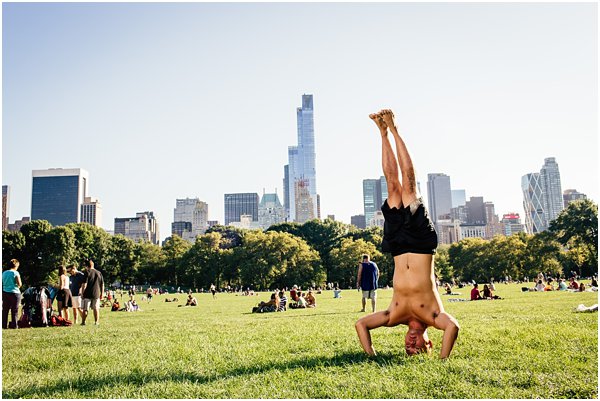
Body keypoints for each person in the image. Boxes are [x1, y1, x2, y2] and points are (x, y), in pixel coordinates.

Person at [355, 109, 459, 359]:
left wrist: (371, 354)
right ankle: (394, 128)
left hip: (398, 245)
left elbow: (361, 325)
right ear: (429, 343)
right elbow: (453, 327)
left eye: (407, 348)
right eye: (418, 347)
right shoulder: (434, 316)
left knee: (392, 187)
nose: (410, 344)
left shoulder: (394, 316)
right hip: (422, 243)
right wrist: (444, 359)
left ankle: (382, 134)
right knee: (409, 185)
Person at [80, 259, 104, 326]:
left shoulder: (87, 272)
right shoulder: (99, 273)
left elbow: (84, 284)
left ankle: (83, 322)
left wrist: (82, 293)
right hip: (96, 293)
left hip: (87, 293)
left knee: (85, 309)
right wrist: (102, 293)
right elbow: (102, 284)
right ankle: (96, 322)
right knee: (96, 308)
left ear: (87, 266)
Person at [2, 259, 22, 329]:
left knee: (5, 310)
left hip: (5, 292)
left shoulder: (4, 273)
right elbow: (19, 284)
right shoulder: (15, 273)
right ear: (16, 265)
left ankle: (3, 325)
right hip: (15, 293)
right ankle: (14, 325)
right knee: (14, 310)